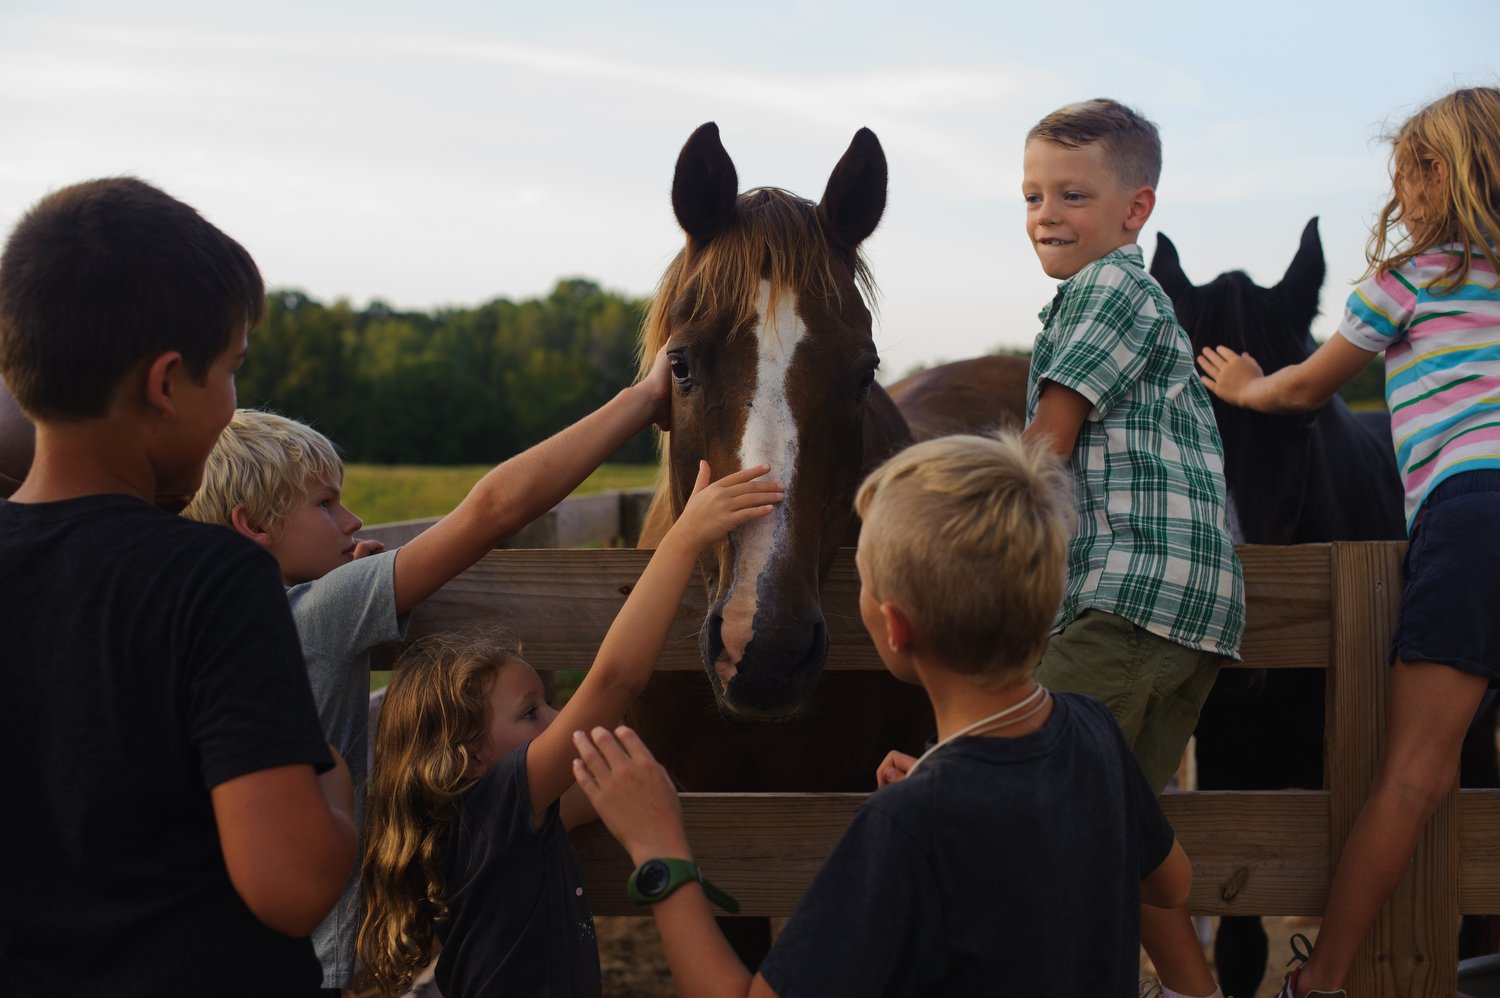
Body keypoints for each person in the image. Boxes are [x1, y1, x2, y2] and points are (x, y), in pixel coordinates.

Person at [571, 431, 1195, 997]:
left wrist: (660, 852)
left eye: (863, 579)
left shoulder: (904, 826)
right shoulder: (1093, 731)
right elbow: (1172, 886)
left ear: (894, 627)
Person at [183, 349, 671, 991]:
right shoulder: (318, 614)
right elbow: (492, 511)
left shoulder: (203, 627)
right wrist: (641, 400)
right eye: (326, 504)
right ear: (253, 527)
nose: (353, 521)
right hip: (321, 963)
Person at [0, 177, 355, 996]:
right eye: (230, 371)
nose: (233, 400)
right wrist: (330, 780)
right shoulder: (213, 578)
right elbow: (293, 885)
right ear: (166, 385)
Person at [1198, 85, 1500, 998]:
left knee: (1412, 775)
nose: (1397, 196)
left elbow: (1304, 393)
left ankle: (1321, 981)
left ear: (1435, 174)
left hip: (1474, 512)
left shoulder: (1409, 281)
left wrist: (1249, 387)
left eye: (1403, 176)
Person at [356, 460, 781, 997]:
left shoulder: (489, 824)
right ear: (465, 759)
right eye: (532, 712)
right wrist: (684, 538)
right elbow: (614, 683)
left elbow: (601, 795)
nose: (559, 720)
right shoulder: (497, 805)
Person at [1018, 97, 1245, 998]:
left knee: (1021, 782)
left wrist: (952, 527)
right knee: (1122, 831)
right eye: (1032, 195)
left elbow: (1049, 441)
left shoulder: (1109, 290)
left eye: (1071, 194)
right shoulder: (1137, 301)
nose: (1045, 214)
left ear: (1134, 211)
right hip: (1189, 614)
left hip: (1129, 599)